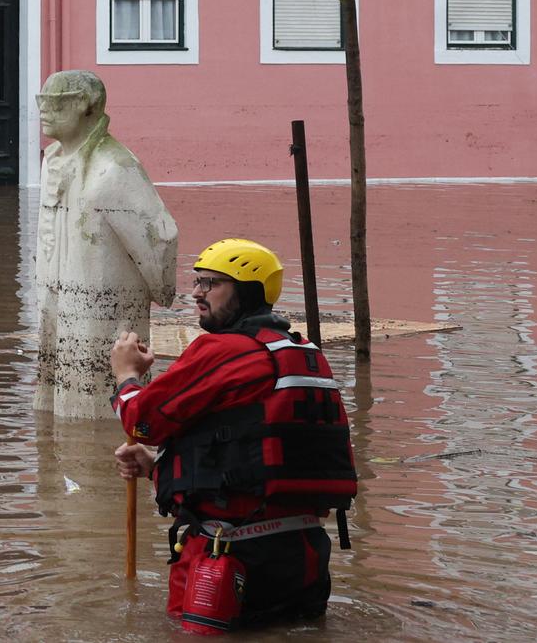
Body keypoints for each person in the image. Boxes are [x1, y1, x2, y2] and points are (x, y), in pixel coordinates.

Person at [110, 239, 357, 635]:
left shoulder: (223, 350)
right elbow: (260, 460)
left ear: (246, 292)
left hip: (228, 558)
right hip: (305, 555)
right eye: (197, 282)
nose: (196, 293)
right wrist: (158, 468)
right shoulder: (304, 351)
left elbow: (143, 422)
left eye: (212, 284)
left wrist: (126, 375)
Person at [34, 70, 178, 419]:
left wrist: (160, 289)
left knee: (99, 413)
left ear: (85, 105)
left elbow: (160, 237)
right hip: (56, 301)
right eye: (42, 103)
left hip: (104, 310)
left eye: (54, 103)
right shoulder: (53, 159)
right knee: (56, 409)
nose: (43, 111)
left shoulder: (113, 169)